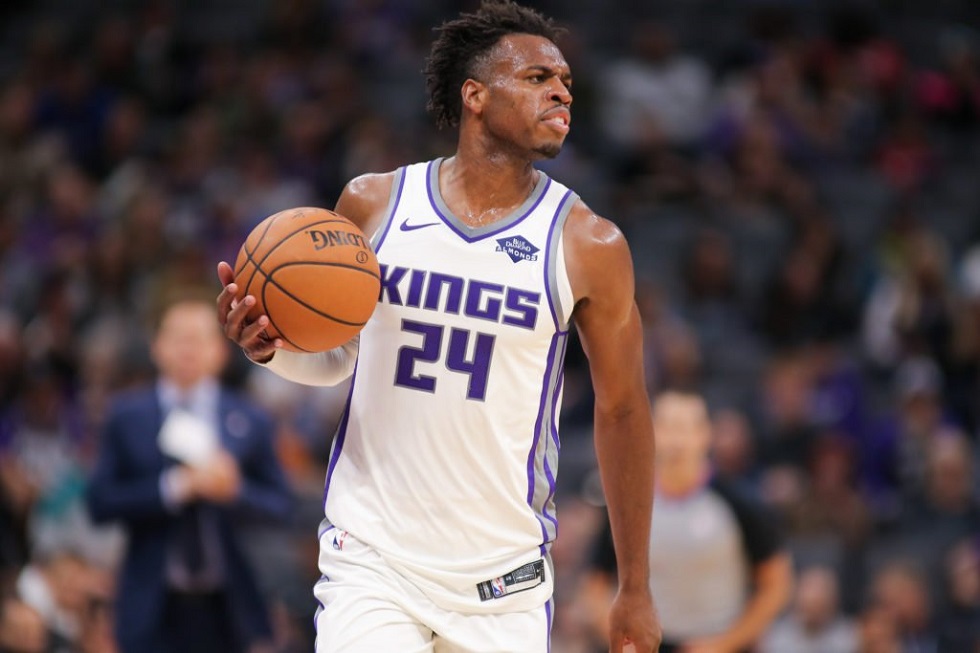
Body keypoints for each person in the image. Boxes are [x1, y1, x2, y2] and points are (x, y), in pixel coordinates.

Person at [216, 1, 661, 651]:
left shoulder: (589, 244)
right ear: (475, 95)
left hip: (502, 580)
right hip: (373, 558)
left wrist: (635, 586)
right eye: (538, 77)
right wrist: (270, 348)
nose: (562, 91)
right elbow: (340, 358)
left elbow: (622, 409)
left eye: (566, 81)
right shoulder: (374, 203)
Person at [87, 293, 293, 653]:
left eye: (198, 338)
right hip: (152, 604)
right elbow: (99, 502)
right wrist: (172, 488)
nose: (188, 349)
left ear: (220, 351)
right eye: (178, 337)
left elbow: (282, 505)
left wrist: (235, 491)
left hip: (230, 606)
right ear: (156, 347)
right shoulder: (127, 416)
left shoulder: (249, 418)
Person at [587, 392, 792, 652]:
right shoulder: (626, 505)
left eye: (685, 428)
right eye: (667, 427)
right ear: (650, 432)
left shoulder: (739, 503)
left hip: (720, 643)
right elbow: (594, 585)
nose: (677, 440)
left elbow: (776, 585)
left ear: (705, 434)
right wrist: (622, 643)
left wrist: (725, 643)